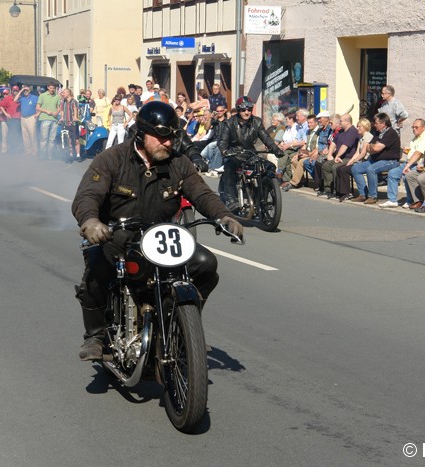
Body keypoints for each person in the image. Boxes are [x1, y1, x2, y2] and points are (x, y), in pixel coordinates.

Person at [71, 101, 242, 360]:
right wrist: (91, 222)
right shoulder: (112, 159)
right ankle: (96, 335)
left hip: (160, 237)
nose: (168, 143)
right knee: (97, 266)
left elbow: (202, 193)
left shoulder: (179, 163)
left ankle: (179, 323)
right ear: (141, 134)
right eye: (161, 137)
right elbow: (87, 195)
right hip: (116, 235)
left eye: (171, 137)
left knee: (206, 264)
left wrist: (224, 216)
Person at [216, 96, 284, 212]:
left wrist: (275, 149)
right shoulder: (229, 123)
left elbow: (266, 137)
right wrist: (224, 151)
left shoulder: (256, 122)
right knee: (229, 167)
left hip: (250, 154)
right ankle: (231, 199)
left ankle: (262, 195)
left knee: (269, 166)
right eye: (243, 110)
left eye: (249, 109)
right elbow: (222, 141)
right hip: (234, 154)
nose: (246, 112)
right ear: (238, 110)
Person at [351, 113, 402, 204]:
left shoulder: (391, 133)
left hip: (390, 161)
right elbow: (368, 148)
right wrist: (373, 147)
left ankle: (372, 196)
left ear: (383, 123)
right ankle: (363, 194)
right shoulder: (378, 133)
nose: (374, 125)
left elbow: (375, 148)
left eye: (376, 123)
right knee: (355, 168)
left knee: (371, 169)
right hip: (376, 159)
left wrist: (373, 147)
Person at [15, 85, 39, 157]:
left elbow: (41, 105)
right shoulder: (22, 98)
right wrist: (21, 91)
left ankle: (34, 151)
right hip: (23, 118)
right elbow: (15, 100)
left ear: (29, 90)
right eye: (24, 91)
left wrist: (38, 113)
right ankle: (28, 151)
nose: (25, 92)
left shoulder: (35, 98)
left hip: (31, 118)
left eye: (27, 90)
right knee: (25, 136)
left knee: (32, 135)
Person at [59, 88, 81, 160]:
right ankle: (70, 155)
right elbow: (61, 110)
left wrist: (75, 117)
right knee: (69, 140)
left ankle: (78, 155)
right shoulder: (63, 102)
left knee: (76, 140)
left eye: (64, 93)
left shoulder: (74, 101)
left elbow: (75, 109)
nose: (62, 94)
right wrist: (62, 117)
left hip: (73, 123)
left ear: (68, 93)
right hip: (66, 123)